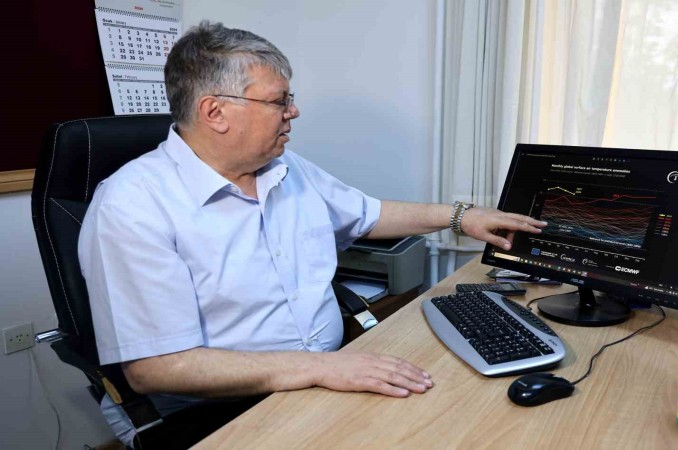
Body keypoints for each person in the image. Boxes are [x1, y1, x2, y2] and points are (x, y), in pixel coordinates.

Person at [78, 21, 547, 447]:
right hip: (220, 410)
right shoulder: (132, 206)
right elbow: (158, 368)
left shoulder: (284, 168)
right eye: (279, 100)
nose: (294, 111)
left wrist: (461, 216)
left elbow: (369, 215)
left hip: (323, 373)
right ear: (215, 112)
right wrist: (322, 368)